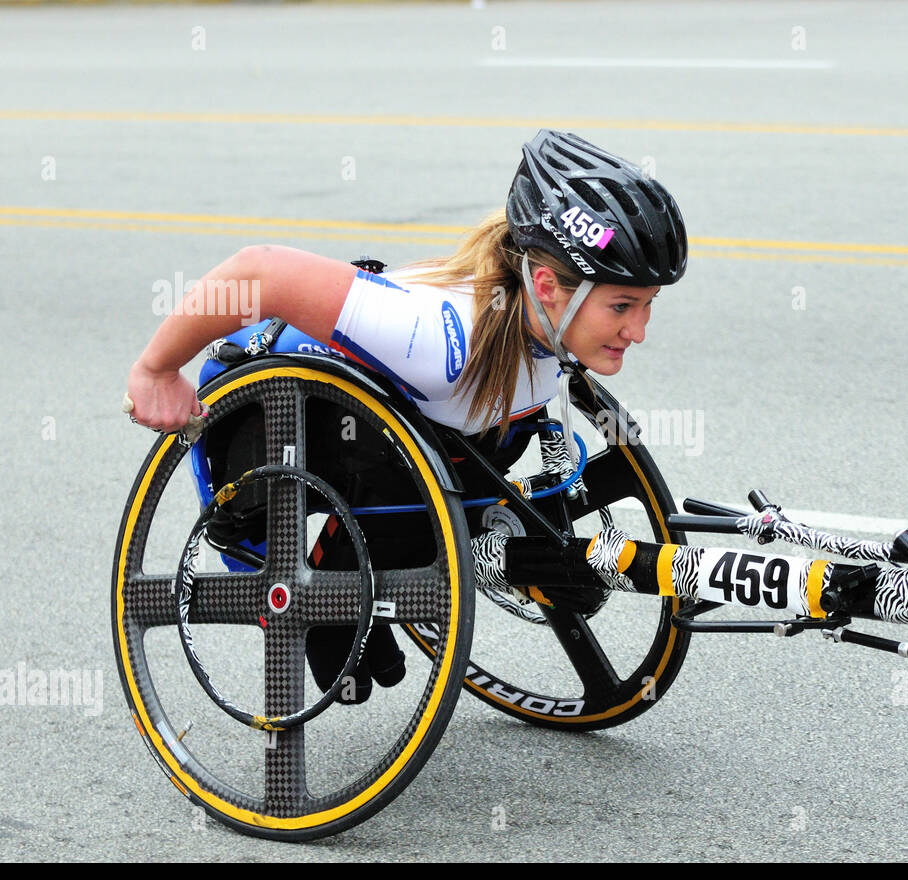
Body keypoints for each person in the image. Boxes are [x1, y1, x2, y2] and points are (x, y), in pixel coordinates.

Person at [125, 129, 689, 703]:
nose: (638, 331)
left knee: (489, 444)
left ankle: (383, 557)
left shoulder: (531, 322)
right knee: (409, 480)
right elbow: (260, 270)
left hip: (396, 425)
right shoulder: (442, 345)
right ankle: (337, 591)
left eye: (647, 306)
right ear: (547, 286)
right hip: (264, 423)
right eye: (622, 306)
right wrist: (156, 369)